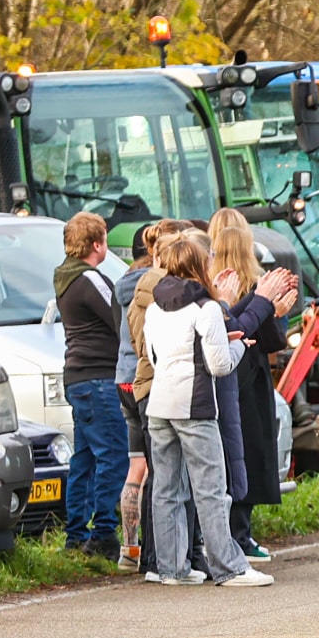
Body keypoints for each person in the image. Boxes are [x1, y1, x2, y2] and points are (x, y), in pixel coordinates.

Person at [140, 236, 270, 587]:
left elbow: (153, 358)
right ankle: (229, 567)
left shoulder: (154, 308)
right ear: (199, 266)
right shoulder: (206, 307)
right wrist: (239, 346)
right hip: (195, 406)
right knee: (211, 490)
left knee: (166, 490)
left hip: (160, 404)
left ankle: (171, 568)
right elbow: (219, 365)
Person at [209, 210, 295, 559]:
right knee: (249, 453)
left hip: (222, 377)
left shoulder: (210, 285)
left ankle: (228, 535)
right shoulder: (256, 286)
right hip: (249, 375)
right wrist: (274, 311)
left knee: (226, 455)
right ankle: (240, 534)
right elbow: (269, 339)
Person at [53, 212, 125, 560]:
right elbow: (120, 320)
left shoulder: (64, 278)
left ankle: (76, 535)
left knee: (84, 459)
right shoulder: (90, 278)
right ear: (97, 244)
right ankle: (104, 533)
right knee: (113, 455)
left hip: (78, 378)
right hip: (99, 377)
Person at [117, 221, 182, 574]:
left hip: (123, 377)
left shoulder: (124, 281)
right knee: (159, 469)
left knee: (136, 465)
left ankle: (129, 548)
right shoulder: (160, 283)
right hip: (148, 376)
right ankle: (158, 552)